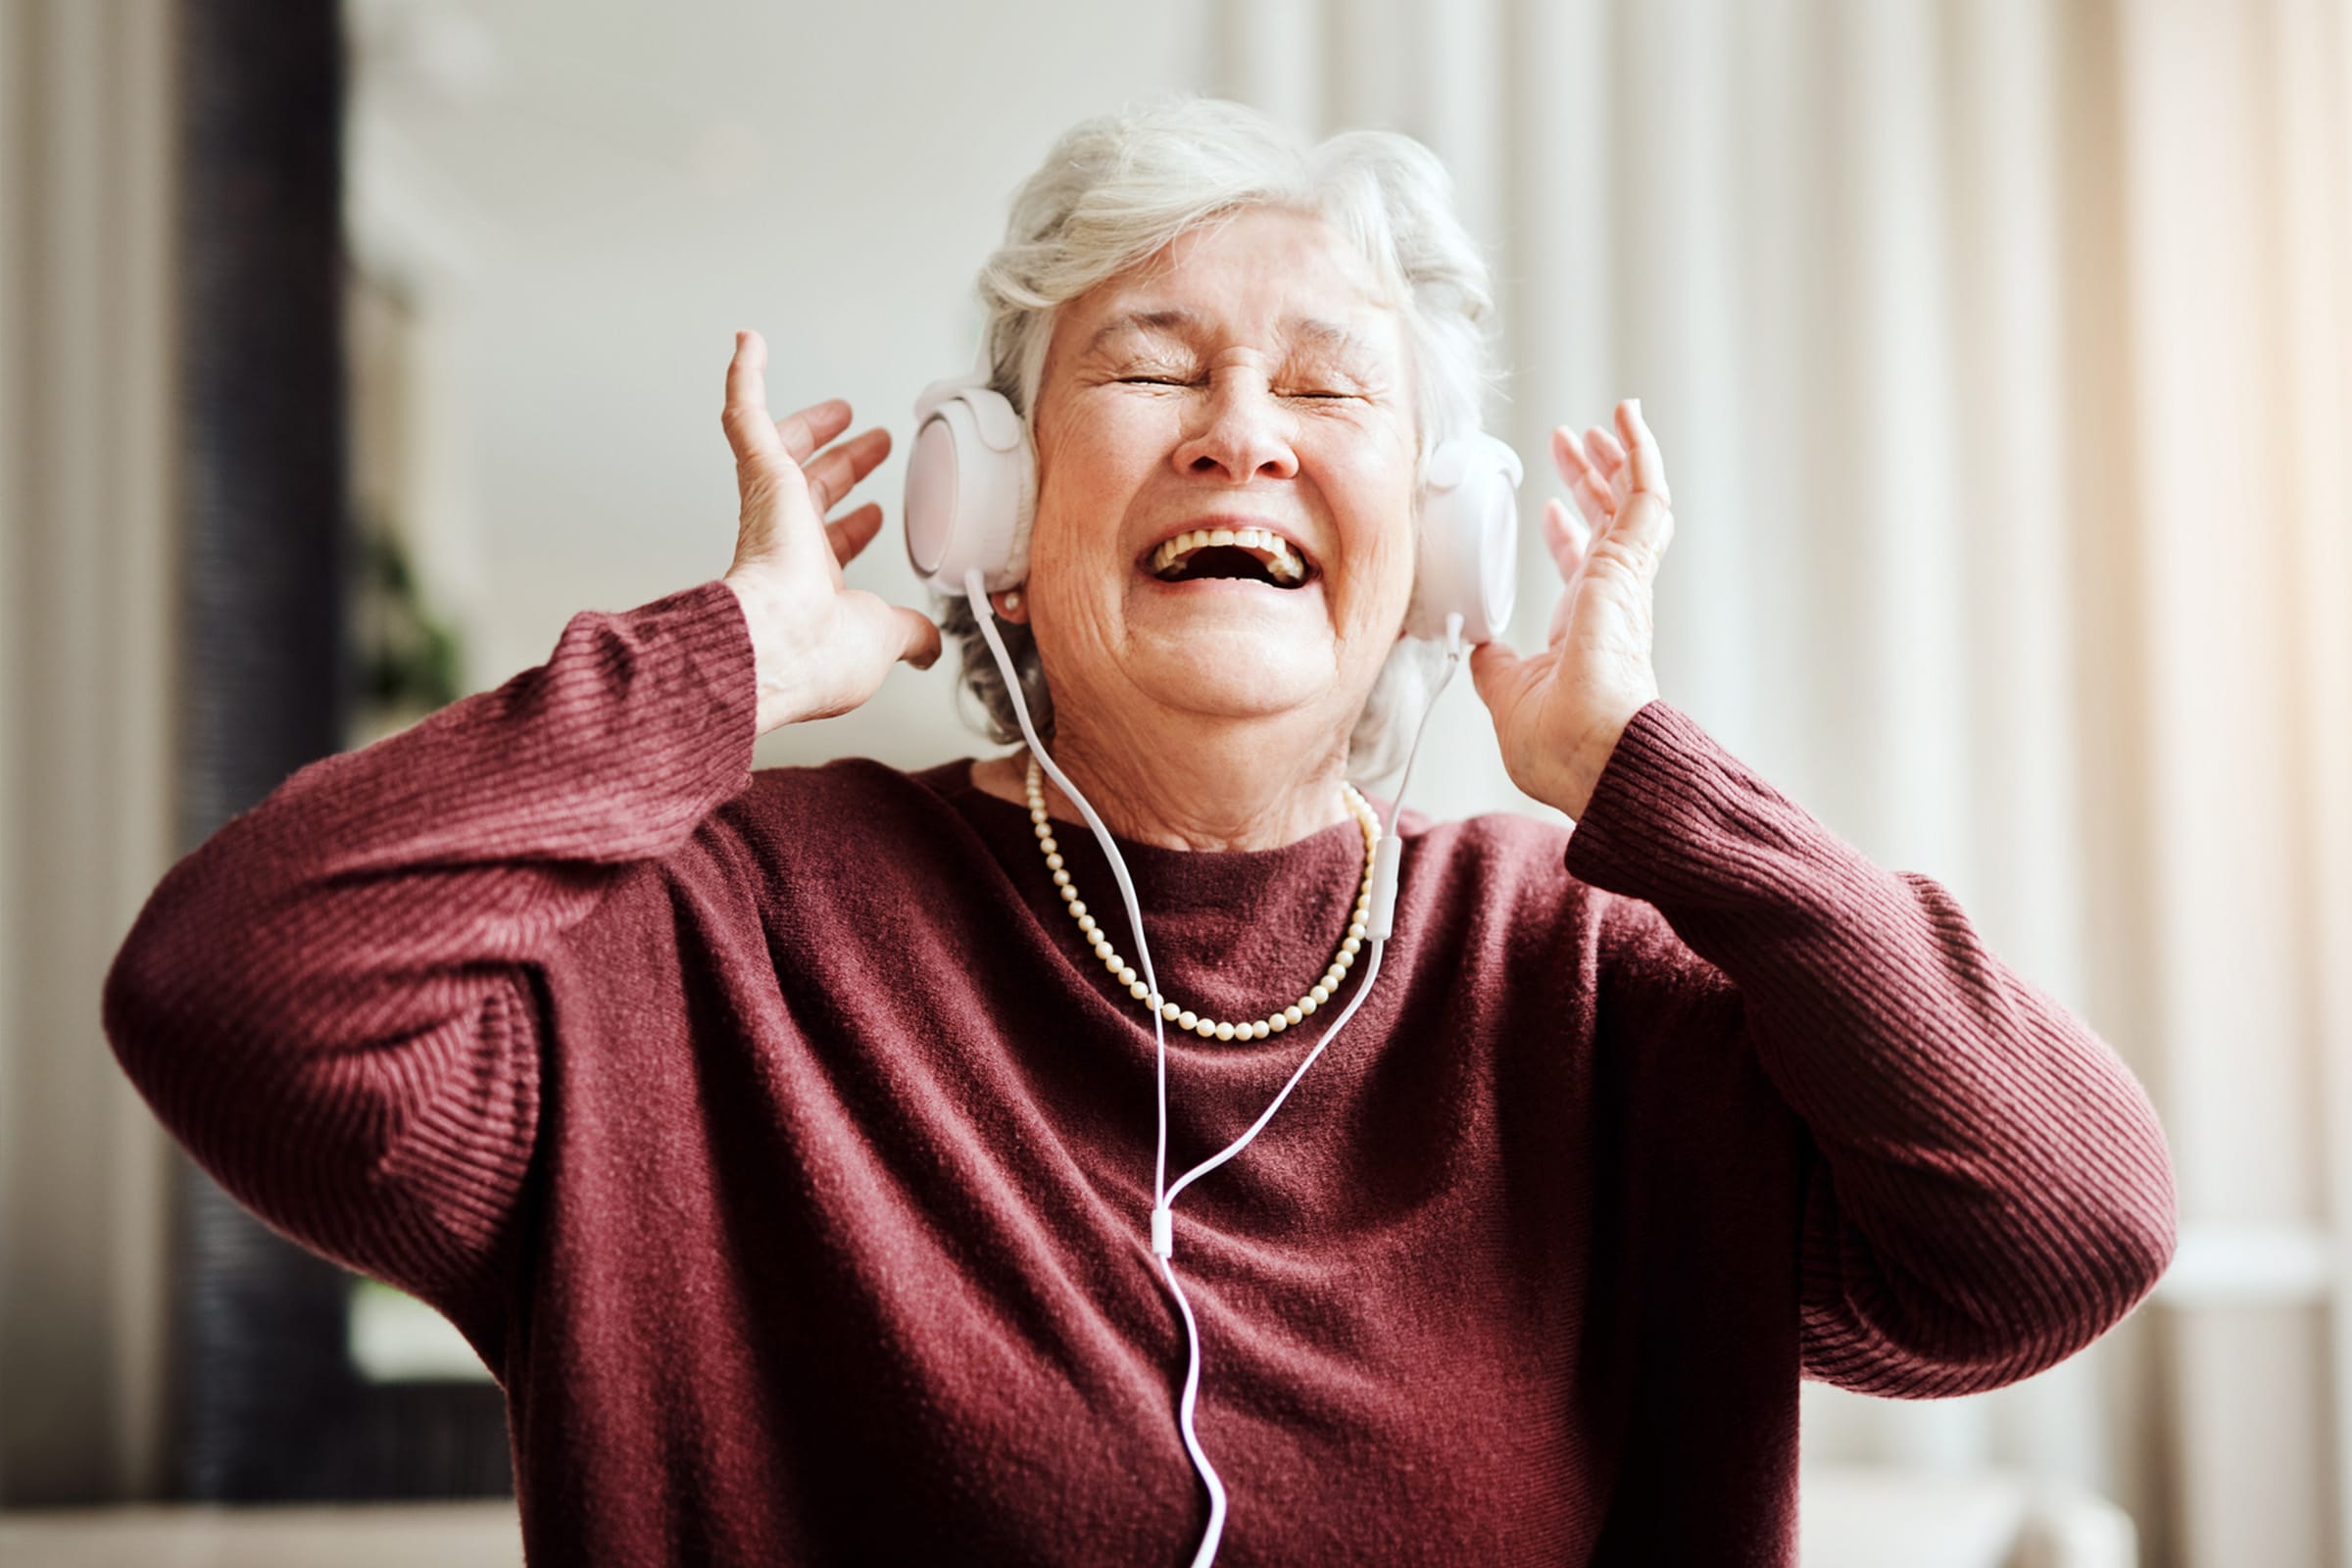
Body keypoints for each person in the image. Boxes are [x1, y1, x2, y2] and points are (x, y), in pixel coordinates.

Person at [103, 96, 2176, 1566]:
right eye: (1152, 364)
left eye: (1329, 390)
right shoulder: (714, 944)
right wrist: (723, 653)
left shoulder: (1588, 974)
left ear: (1438, 543)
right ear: (990, 508)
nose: (1241, 430)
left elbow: (2064, 1231)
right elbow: (230, 987)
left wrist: (1656, 780)